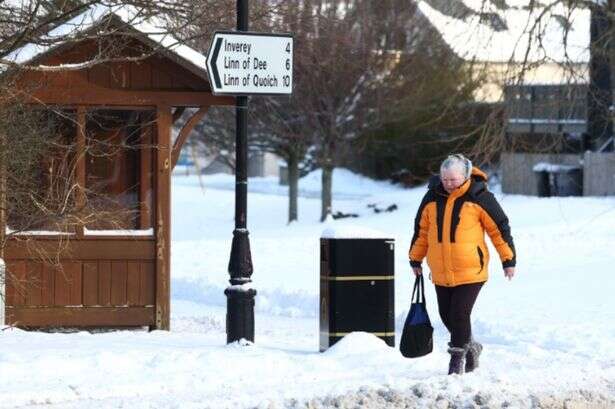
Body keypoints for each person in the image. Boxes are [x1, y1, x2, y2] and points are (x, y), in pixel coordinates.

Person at [408, 154, 516, 375]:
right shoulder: (431, 197)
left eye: (453, 180)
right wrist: (415, 258)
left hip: (471, 271)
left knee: (459, 313)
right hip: (440, 271)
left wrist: (508, 259)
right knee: (446, 315)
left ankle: (456, 362)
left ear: (465, 176)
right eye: (445, 179)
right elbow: (422, 231)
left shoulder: (479, 197)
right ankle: (472, 347)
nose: (448, 184)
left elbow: (499, 229)